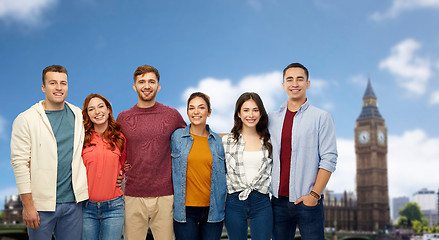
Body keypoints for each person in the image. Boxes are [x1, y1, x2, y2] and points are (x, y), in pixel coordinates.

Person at [10, 65, 88, 239]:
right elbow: (20, 163)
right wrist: (28, 206)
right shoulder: (26, 119)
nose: (59, 88)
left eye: (63, 83)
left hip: (74, 204)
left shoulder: (78, 115)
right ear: (43, 88)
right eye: (53, 83)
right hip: (40, 207)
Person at [116, 65, 186, 240]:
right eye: (142, 82)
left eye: (151, 82)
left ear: (158, 86)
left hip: (165, 195)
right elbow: (116, 150)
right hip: (132, 194)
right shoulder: (123, 118)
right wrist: (118, 171)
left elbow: (188, 141)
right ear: (134, 86)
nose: (146, 86)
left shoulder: (172, 115)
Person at [269, 63, 338, 240]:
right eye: (289, 80)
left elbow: (329, 158)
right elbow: (246, 135)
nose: (295, 84)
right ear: (283, 85)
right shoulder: (271, 119)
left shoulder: (321, 118)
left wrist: (314, 196)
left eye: (300, 79)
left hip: (309, 203)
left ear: (308, 83)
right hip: (278, 203)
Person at [171, 92, 227, 240]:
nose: (196, 111)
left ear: (209, 112)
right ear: (187, 112)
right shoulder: (176, 137)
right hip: (184, 211)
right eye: (191, 108)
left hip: (212, 211)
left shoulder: (219, 142)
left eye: (201, 107)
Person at [222, 92, 273, 240]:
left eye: (255, 110)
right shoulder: (227, 141)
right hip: (234, 202)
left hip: (262, 202)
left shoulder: (269, 141)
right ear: (238, 113)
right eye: (246, 110)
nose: (251, 115)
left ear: (261, 113)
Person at [81, 93, 126, 240]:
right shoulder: (81, 138)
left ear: (108, 110)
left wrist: (121, 175)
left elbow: (124, 165)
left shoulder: (120, 138)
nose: (97, 112)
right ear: (87, 114)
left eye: (101, 107)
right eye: (91, 109)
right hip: (86, 207)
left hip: (114, 207)